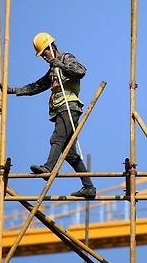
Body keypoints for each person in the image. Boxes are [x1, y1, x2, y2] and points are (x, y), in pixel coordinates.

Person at [6, 32, 96, 198]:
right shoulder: (52, 70)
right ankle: (89, 187)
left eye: (44, 53)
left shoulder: (66, 58)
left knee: (57, 138)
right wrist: (12, 90)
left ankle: (48, 168)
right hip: (60, 110)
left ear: (51, 47)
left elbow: (81, 71)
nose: (44, 57)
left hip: (69, 108)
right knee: (69, 154)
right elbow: (36, 86)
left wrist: (60, 65)